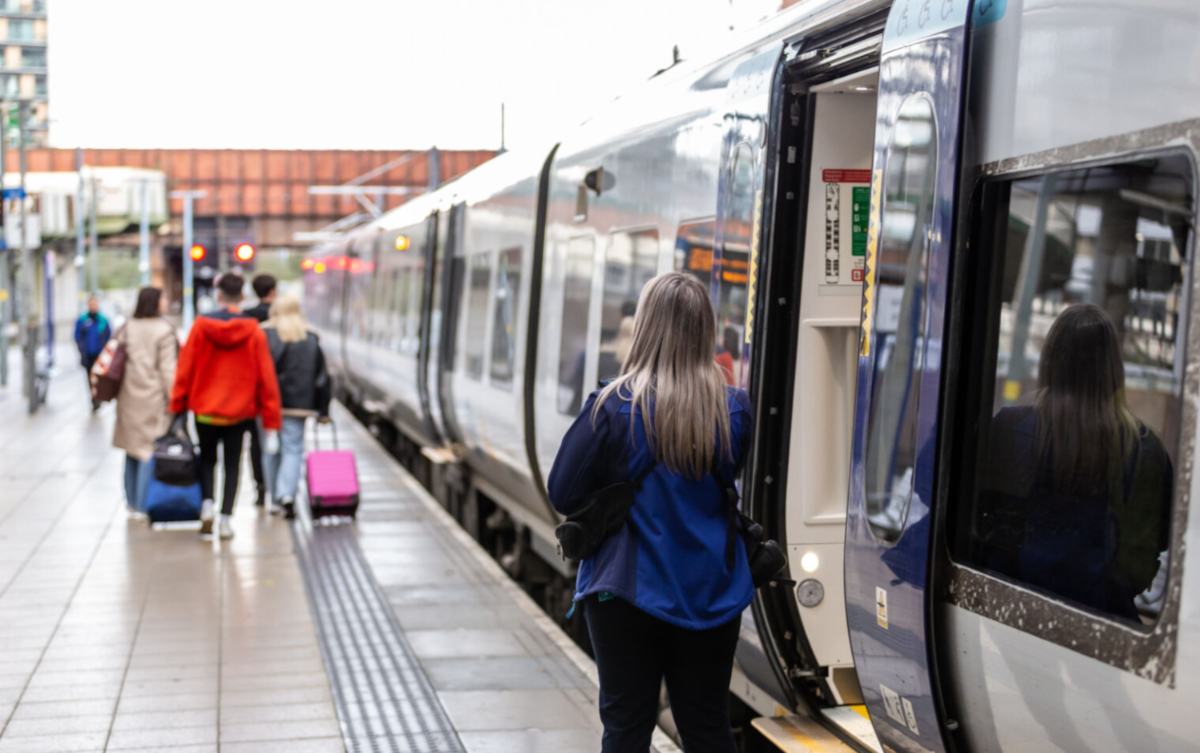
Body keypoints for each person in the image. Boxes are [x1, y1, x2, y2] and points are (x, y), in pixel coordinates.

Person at [547, 272, 754, 753]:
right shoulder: (734, 410)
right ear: (705, 331)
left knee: (626, 727)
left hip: (625, 594)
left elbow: (563, 490)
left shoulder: (612, 406)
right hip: (712, 594)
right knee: (706, 725)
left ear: (644, 326)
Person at [980, 303, 1172, 620]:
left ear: (1051, 360)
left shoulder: (1010, 428)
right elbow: (1150, 548)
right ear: (1114, 370)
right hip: (1108, 621)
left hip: (1009, 610)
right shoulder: (1145, 447)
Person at [170, 273, 282, 540]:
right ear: (243, 297)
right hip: (239, 412)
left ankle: (207, 505)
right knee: (233, 464)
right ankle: (226, 519)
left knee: (207, 460)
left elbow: (184, 369)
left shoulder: (199, 327)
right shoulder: (254, 331)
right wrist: (271, 423)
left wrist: (177, 406)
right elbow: (267, 378)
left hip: (205, 410)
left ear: (218, 296)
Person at [262, 294, 332, 519]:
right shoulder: (309, 336)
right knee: (292, 450)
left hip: (268, 404)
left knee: (270, 450)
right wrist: (323, 410)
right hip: (298, 406)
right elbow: (322, 378)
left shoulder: (264, 334)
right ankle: (287, 496)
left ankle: (273, 499)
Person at [112, 288, 177, 515]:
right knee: (146, 451)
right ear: (155, 302)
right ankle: (142, 505)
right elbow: (168, 371)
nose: (167, 301)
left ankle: (130, 503)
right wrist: (175, 401)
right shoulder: (164, 331)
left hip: (128, 397)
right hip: (153, 399)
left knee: (131, 450)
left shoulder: (126, 327)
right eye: (164, 297)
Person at [242, 273, 277, 506]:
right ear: (273, 291)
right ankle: (278, 488)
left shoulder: (247, 318)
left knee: (255, 441)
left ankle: (261, 487)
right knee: (279, 440)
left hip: (251, 390)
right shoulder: (282, 319)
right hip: (276, 389)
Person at [74, 296, 112, 409]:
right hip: (88, 355)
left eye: (95, 304)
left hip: (100, 355)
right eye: (91, 304)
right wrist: (81, 349)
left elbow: (109, 337)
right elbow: (77, 336)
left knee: (99, 377)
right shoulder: (82, 320)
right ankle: (94, 398)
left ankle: (99, 397)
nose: (93, 306)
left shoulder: (103, 320)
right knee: (89, 377)